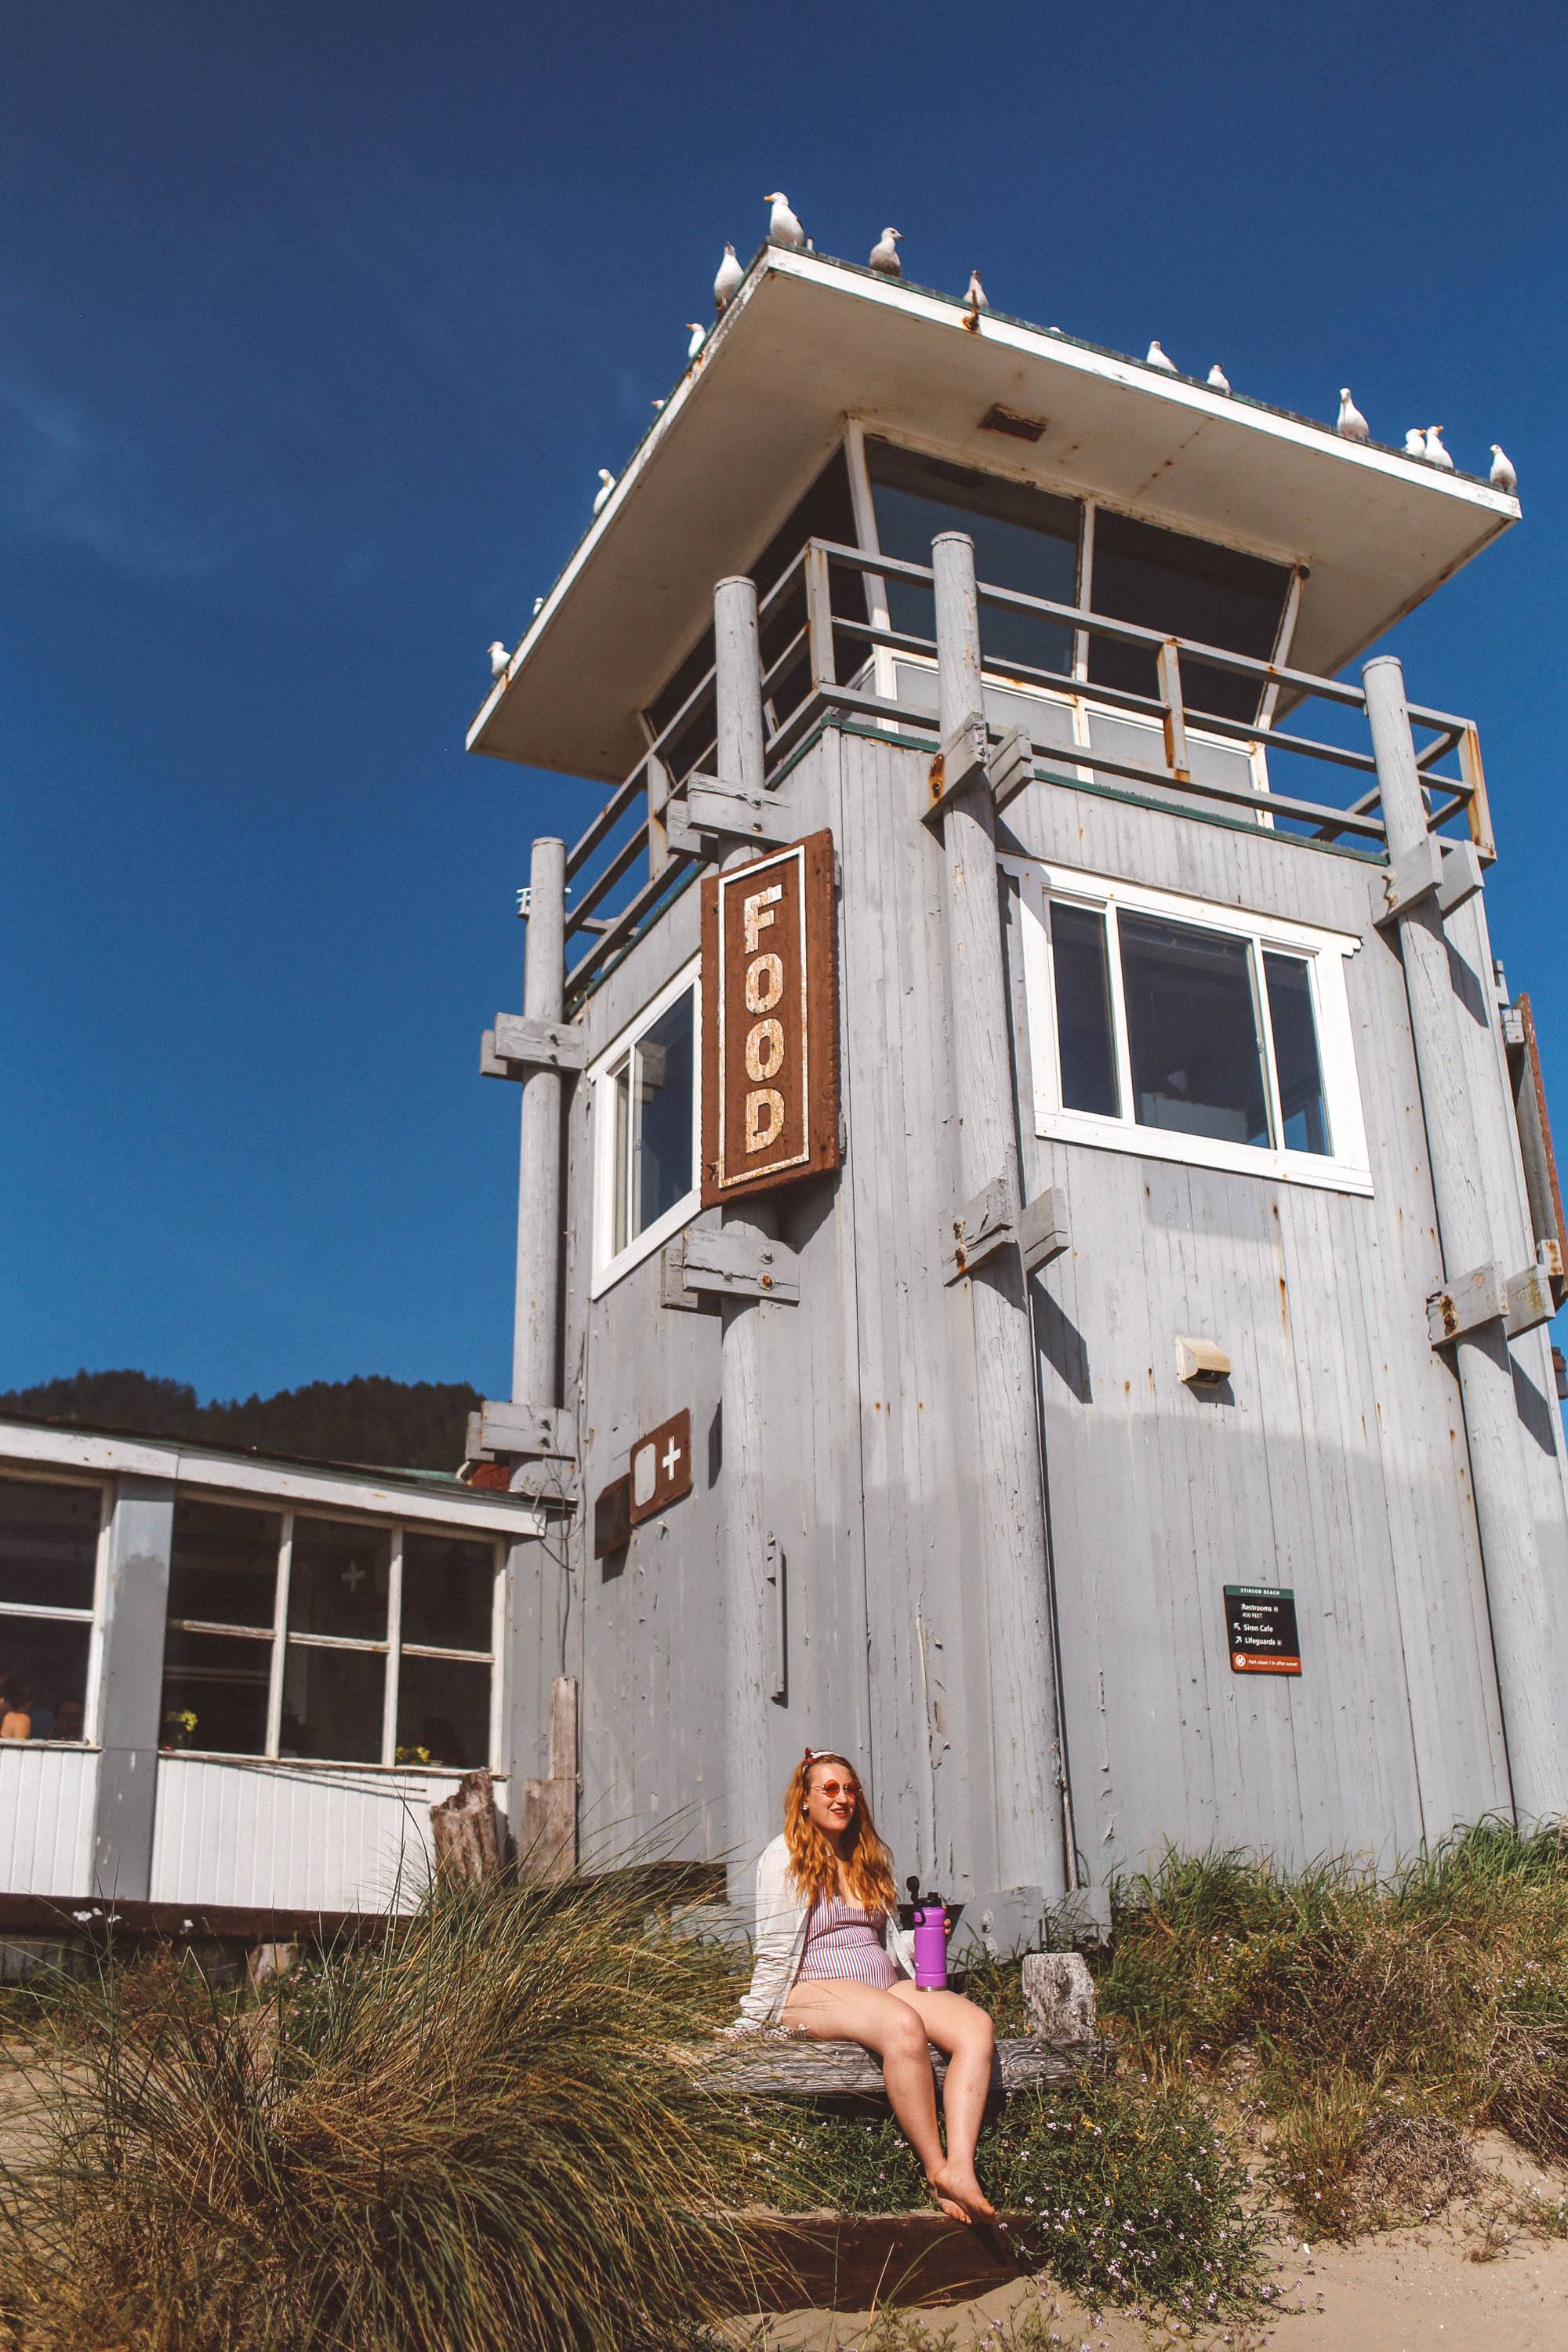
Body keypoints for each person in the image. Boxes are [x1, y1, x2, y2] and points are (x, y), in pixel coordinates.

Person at [735, 1747, 997, 2224]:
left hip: (882, 1982)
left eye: (850, 1789)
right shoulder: (783, 1857)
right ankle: (934, 2168)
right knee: (903, 2025)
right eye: (829, 1789)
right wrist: (752, 2021)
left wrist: (923, 1945)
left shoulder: (868, 1855)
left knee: (976, 2026)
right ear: (805, 1800)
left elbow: (884, 1939)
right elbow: (773, 1951)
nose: (842, 1799)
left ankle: (961, 2165)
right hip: (811, 1989)